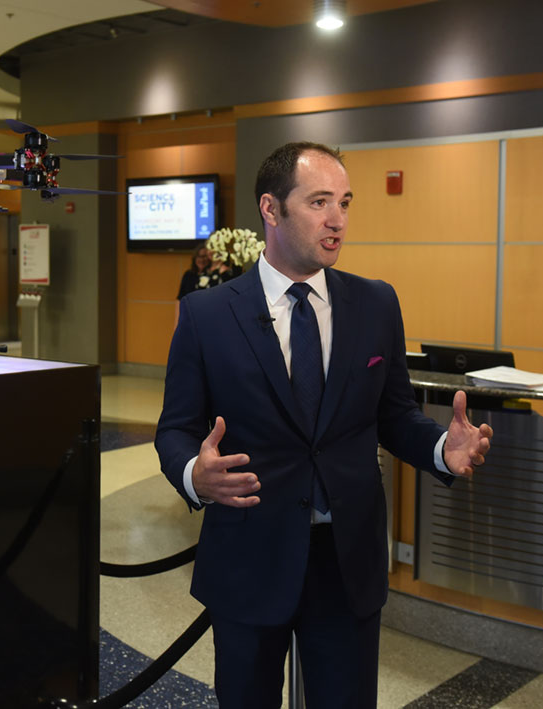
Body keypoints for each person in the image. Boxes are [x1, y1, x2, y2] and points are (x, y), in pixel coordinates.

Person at [154, 141, 493, 708]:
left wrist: (440, 448)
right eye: (318, 202)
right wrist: (194, 474)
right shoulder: (208, 315)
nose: (337, 220)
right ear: (271, 209)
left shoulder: (375, 304)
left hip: (346, 560)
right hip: (249, 556)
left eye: (344, 202)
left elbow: (394, 414)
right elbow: (174, 428)